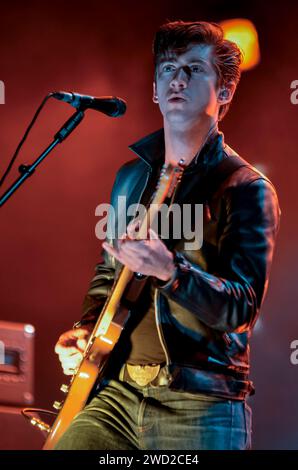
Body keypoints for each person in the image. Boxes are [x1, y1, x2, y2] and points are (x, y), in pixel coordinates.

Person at [54, 20, 281, 450]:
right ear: (156, 90)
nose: (177, 78)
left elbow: (241, 308)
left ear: (225, 91)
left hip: (198, 400)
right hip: (118, 393)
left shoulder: (246, 188)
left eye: (195, 69)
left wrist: (169, 271)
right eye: (168, 68)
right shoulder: (130, 177)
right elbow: (109, 276)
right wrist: (84, 329)